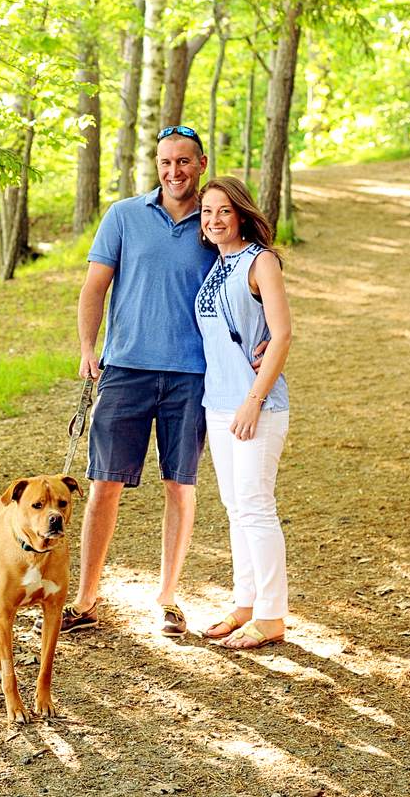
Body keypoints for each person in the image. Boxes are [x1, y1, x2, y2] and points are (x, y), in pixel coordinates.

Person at [60, 126, 215, 637]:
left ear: (201, 164)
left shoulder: (215, 223)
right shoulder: (123, 215)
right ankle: (85, 599)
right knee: (104, 484)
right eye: (166, 162)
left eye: (184, 162)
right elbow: (94, 287)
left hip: (192, 374)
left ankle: (169, 598)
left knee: (181, 485)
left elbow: (247, 281)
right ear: (157, 166)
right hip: (125, 369)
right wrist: (88, 348)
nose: (174, 171)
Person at [195, 175, 292, 649]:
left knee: (255, 506)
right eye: (207, 212)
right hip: (218, 403)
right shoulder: (217, 265)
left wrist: (253, 398)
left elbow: (283, 333)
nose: (214, 220)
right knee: (237, 509)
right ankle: (245, 604)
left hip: (257, 405)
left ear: (241, 214)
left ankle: (272, 615)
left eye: (224, 211)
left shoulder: (261, 261)